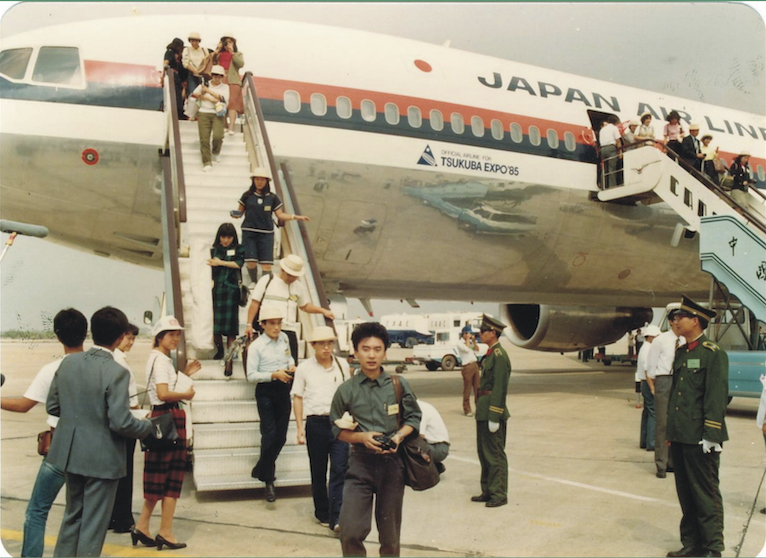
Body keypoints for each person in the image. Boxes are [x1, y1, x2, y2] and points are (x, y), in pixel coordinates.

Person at [46, 307, 153, 557]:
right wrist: (147, 428)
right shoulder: (117, 372)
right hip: (102, 460)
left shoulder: (69, 363)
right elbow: (121, 422)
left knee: (72, 517)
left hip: (71, 454)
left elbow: (53, 406)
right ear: (119, 337)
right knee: (94, 525)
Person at [329, 322, 421, 557]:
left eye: (377, 349)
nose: (371, 355)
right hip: (360, 465)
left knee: (390, 538)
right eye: (365, 348)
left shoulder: (398, 385)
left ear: (385, 352)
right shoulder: (346, 390)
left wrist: (399, 436)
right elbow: (336, 428)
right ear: (356, 351)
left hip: (392, 466)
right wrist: (361, 437)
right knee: (349, 531)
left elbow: (414, 417)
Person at [0, 308, 87, 557]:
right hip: (90, 450)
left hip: (60, 449)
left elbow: (24, 405)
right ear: (86, 333)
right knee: (79, 513)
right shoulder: (100, 368)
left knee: (37, 511)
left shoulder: (53, 369)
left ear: (57, 336)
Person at [665, 296, 727, 558]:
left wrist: (711, 434)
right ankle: (691, 544)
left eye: (681, 317)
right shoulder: (682, 352)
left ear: (695, 321)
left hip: (701, 438)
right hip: (681, 435)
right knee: (686, 494)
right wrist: (670, 433)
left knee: (706, 495)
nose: (675, 321)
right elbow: (676, 396)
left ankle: (713, 548)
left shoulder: (713, 353)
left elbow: (716, 396)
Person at [133, 316, 200, 551]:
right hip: (170, 417)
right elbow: (162, 393)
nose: (175, 338)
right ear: (159, 336)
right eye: (170, 334)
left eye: (177, 334)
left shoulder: (157, 358)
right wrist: (186, 395)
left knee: (157, 477)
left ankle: (143, 525)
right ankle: (166, 531)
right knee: (172, 478)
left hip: (160, 419)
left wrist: (183, 374)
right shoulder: (162, 361)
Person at [291, 326, 350, 532]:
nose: (326, 347)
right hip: (315, 424)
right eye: (322, 343)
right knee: (318, 471)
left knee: (340, 469)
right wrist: (299, 427)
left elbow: (350, 394)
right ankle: (322, 512)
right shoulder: (304, 368)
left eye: (330, 343)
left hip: (339, 424)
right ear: (313, 345)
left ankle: (337, 517)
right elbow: (297, 397)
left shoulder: (342, 365)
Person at [245, 254, 334, 364]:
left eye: (295, 276)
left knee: (291, 363)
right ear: (282, 269)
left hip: (290, 330)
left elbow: (304, 306)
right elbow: (255, 303)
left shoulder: (298, 287)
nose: (291, 278)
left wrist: (323, 311)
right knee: (271, 363)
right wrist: (249, 324)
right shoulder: (267, 280)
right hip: (269, 329)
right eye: (289, 275)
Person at [246, 307, 296, 503]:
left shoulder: (284, 338)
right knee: (270, 435)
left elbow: (288, 356)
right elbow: (251, 376)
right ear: (263, 325)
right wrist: (273, 375)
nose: (277, 327)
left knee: (281, 437)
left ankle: (260, 468)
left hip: (283, 389)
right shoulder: (257, 347)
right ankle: (269, 480)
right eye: (272, 323)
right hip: (266, 391)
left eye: (279, 322)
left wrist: (290, 365)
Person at [232, 168, 309, 282]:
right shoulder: (247, 196)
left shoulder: (272, 198)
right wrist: (235, 214)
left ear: (267, 181)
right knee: (251, 262)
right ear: (253, 180)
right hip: (249, 232)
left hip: (266, 234)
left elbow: (280, 215)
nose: (259, 182)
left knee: (266, 265)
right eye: (257, 179)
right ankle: (254, 282)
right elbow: (240, 212)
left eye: (262, 179)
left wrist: (295, 217)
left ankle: (264, 285)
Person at [470, 314, 511, 508]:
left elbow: (500, 387)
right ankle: (488, 490)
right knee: (484, 452)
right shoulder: (489, 354)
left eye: (483, 331)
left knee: (494, 454)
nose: (480, 334)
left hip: (492, 411)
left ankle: (499, 493)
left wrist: (494, 415)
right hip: (484, 410)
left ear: (492, 333)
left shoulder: (499, 356)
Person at [109, 323, 141, 534]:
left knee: (119, 473)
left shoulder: (117, 359)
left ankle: (115, 516)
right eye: (128, 338)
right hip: (127, 420)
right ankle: (123, 519)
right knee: (125, 472)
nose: (131, 342)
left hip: (119, 421)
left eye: (133, 338)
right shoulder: (118, 362)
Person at [647, 316, 686, 478]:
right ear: (670, 322)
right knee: (662, 423)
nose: (677, 323)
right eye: (675, 319)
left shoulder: (686, 340)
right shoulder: (660, 340)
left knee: (678, 423)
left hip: (682, 381)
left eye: (681, 319)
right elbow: (651, 366)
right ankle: (661, 464)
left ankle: (673, 462)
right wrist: (653, 387)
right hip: (664, 380)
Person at [208, 223, 245, 361]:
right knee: (216, 324)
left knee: (231, 326)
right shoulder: (214, 250)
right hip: (217, 291)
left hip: (231, 290)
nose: (226, 240)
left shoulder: (239, 249)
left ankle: (231, 352)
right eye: (223, 237)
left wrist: (220, 263)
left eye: (229, 237)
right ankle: (220, 350)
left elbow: (238, 264)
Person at [189, 64, 229, 172]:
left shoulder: (225, 87)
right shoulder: (204, 84)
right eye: (215, 75)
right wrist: (209, 98)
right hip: (203, 113)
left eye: (220, 76)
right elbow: (195, 94)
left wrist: (208, 91)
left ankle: (215, 152)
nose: (217, 78)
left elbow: (223, 99)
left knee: (218, 136)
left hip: (218, 114)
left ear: (222, 77)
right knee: (204, 139)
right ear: (211, 75)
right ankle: (206, 162)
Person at [212, 35, 244, 135]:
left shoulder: (237, 54)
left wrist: (232, 53)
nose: (228, 44)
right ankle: (224, 125)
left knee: (233, 103)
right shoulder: (218, 54)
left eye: (230, 42)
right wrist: (218, 49)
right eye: (226, 42)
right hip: (221, 79)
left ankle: (231, 127)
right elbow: (211, 62)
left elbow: (240, 64)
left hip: (233, 80)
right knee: (221, 101)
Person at [637, 325, 661, 452]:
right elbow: (647, 371)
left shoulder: (644, 348)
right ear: (651, 336)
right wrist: (652, 387)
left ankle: (644, 440)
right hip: (648, 382)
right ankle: (651, 442)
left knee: (647, 411)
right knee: (653, 412)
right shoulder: (648, 350)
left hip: (645, 382)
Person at [417, 400, 450, 474]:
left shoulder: (419, 409)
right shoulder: (422, 405)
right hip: (437, 445)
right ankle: (434, 466)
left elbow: (419, 435)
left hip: (438, 447)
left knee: (408, 444)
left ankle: (429, 468)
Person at [456, 325, 481, 417]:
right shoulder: (459, 343)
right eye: (468, 333)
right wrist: (467, 339)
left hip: (474, 364)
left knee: (477, 388)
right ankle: (467, 409)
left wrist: (474, 342)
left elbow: (477, 350)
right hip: (467, 366)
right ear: (464, 334)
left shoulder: (470, 342)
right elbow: (466, 349)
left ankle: (479, 408)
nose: (470, 335)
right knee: (467, 388)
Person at [163, 38, 186, 119]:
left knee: (178, 96)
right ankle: (178, 112)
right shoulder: (170, 51)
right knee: (175, 95)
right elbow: (166, 62)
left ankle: (179, 112)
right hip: (172, 74)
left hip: (176, 77)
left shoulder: (178, 56)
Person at [182, 32, 209, 96]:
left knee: (204, 94)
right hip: (192, 75)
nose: (194, 43)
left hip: (203, 76)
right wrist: (195, 71)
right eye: (192, 40)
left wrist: (202, 71)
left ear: (199, 41)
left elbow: (208, 61)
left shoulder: (204, 50)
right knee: (193, 94)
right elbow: (185, 63)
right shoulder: (187, 50)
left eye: (196, 41)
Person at [598, 115, 622, 189]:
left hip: (603, 149)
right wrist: (620, 152)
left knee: (605, 169)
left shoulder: (602, 130)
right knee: (612, 168)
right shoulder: (614, 128)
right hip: (611, 148)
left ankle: (603, 186)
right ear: (615, 122)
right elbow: (618, 141)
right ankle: (612, 186)